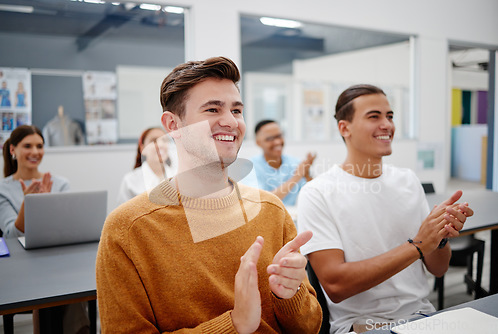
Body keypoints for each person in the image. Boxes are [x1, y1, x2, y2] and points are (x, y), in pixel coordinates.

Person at [96, 56, 322, 333]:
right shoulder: (128, 230)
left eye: (237, 111)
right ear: (173, 125)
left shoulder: (271, 211)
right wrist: (235, 324)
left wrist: (290, 295)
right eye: (213, 110)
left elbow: (310, 327)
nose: (230, 121)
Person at [297, 84, 474, 333]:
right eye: (374, 116)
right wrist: (418, 246)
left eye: (390, 116)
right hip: (362, 325)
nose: (387, 125)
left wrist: (439, 237)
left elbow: (439, 268)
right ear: (344, 128)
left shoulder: (408, 180)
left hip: (422, 315)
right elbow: (336, 286)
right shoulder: (317, 193)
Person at [0, 125, 90, 334]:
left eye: (39, 146)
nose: (35, 152)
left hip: (58, 262)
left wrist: (47, 204)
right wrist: (28, 204)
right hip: (21, 267)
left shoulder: (59, 183)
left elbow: (68, 230)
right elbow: (12, 236)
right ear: (12, 150)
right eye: (27, 146)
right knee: (58, 286)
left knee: (70, 282)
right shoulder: (3, 190)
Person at [249, 119, 316, 206]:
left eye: (279, 136)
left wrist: (307, 175)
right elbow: (262, 202)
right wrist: (296, 177)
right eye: (270, 139)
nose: (277, 142)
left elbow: (312, 195)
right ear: (258, 143)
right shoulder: (250, 167)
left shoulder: (296, 163)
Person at [116, 126, 178, 205]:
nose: (161, 145)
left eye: (164, 140)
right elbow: (123, 215)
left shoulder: (178, 176)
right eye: (154, 140)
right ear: (142, 148)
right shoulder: (130, 181)